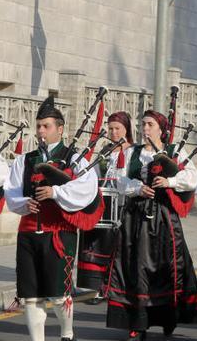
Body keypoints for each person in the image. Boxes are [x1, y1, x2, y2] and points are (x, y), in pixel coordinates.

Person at [6, 96, 100, 341]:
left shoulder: (76, 159)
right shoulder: (25, 160)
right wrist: (24, 203)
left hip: (59, 232)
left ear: (60, 129)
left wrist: (55, 192)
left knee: (59, 294)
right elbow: (12, 191)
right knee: (30, 295)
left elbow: (87, 190)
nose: (41, 131)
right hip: (28, 231)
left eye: (46, 126)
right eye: (38, 126)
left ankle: (67, 333)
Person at [106, 109, 197, 340]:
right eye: (143, 124)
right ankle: (138, 322)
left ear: (161, 129)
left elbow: (192, 178)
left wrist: (169, 181)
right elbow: (121, 180)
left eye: (150, 124)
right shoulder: (133, 152)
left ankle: (168, 320)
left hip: (164, 217)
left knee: (166, 267)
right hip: (136, 217)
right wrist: (138, 188)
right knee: (136, 267)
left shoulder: (175, 151)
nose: (145, 129)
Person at [78, 111, 134, 306]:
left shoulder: (131, 152)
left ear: (126, 129)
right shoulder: (105, 150)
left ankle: (114, 287)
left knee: (116, 249)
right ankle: (95, 288)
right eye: (110, 128)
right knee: (98, 245)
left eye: (117, 128)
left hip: (122, 206)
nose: (113, 132)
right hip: (103, 205)